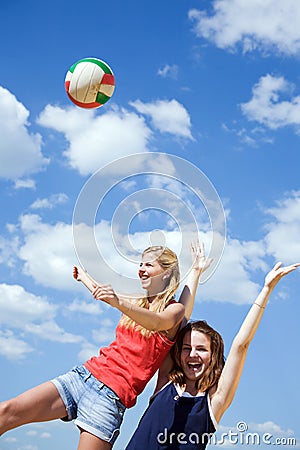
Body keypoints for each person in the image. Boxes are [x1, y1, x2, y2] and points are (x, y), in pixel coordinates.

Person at [0, 242, 212, 450]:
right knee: (6, 412)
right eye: (140, 264)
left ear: (166, 273)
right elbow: (104, 294)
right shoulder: (137, 301)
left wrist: (195, 271)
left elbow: (156, 322)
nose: (141, 269)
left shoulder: (174, 312)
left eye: (148, 265)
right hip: (83, 377)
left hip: (109, 400)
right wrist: (84, 277)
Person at [124, 261, 300, 450]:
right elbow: (180, 319)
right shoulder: (166, 381)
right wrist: (196, 272)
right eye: (186, 348)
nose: (192, 354)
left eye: (201, 349)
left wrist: (266, 289)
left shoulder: (214, 401)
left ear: (212, 356)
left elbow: (241, 345)